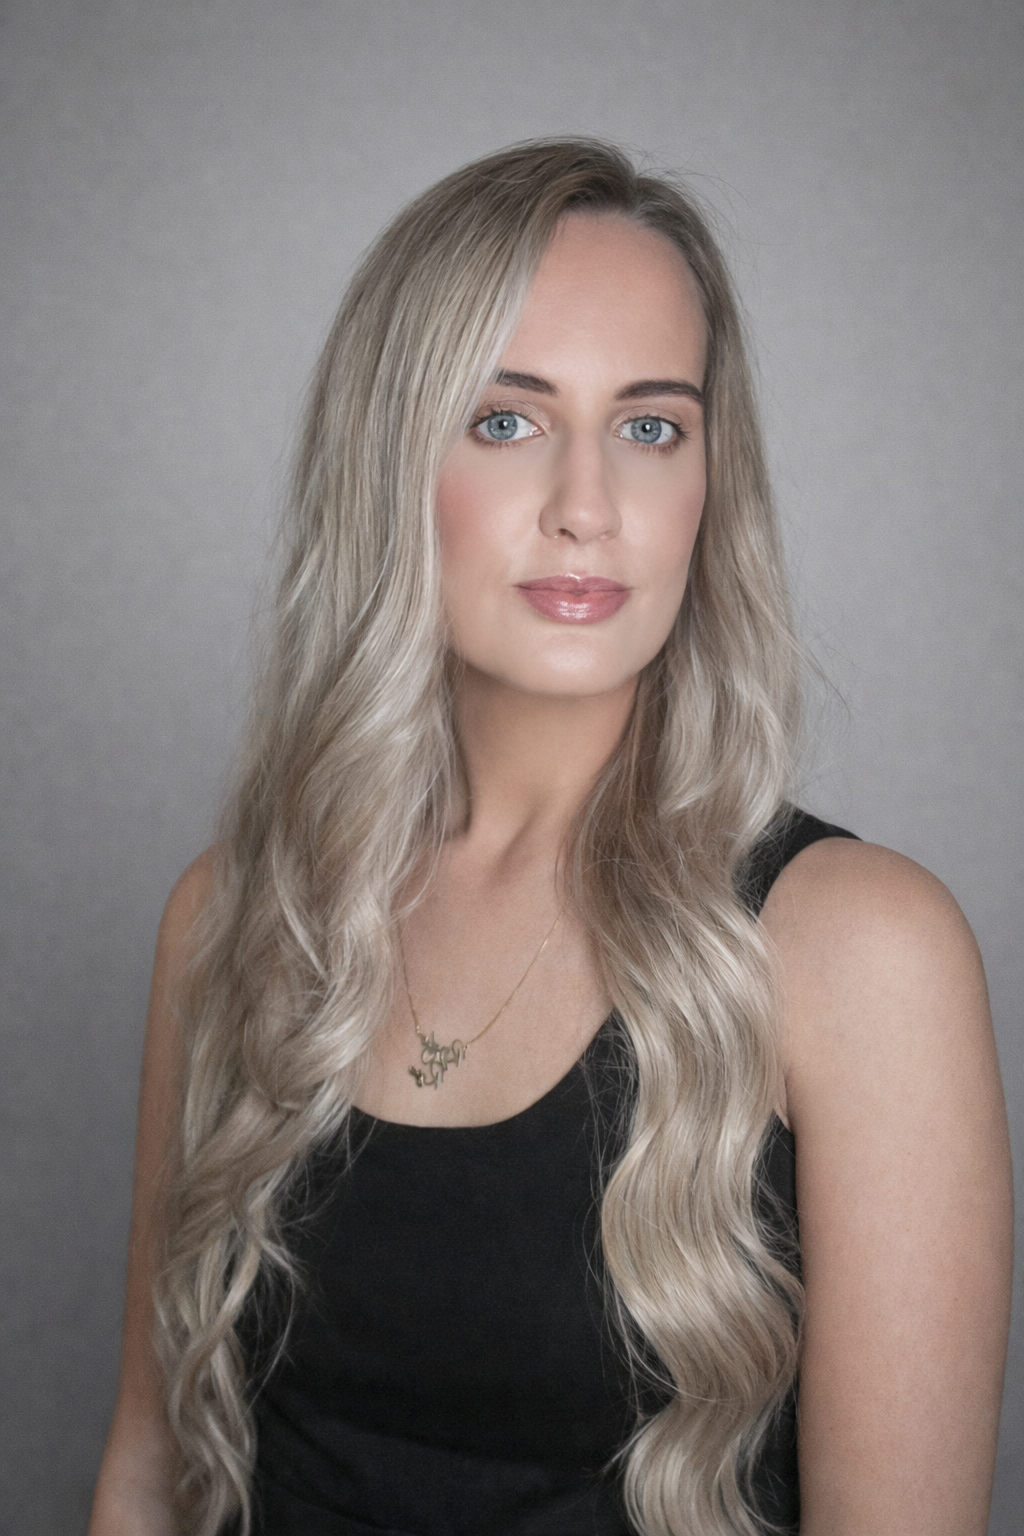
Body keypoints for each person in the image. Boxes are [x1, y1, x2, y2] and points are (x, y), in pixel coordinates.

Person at [88, 139, 1011, 1536]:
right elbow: (149, 1472)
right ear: (391, 461)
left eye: (651, 430)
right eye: (506, 420)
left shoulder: (860, 951)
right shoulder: (232, 918)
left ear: (711, 486)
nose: (588, 507)